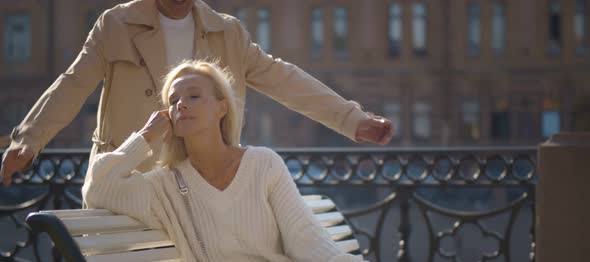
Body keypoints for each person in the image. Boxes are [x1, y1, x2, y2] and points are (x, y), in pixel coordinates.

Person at [82, 60, 405, 262]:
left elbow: (304, 235)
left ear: (222, 106)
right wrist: (146, 136)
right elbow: (99, 187)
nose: (181, 104)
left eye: (194, 96)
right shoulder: (162, 186)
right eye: (174, 100)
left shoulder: (263, 163)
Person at [1, 0, 394, 187]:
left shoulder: (227, 32)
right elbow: (72, 84)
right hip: (128, 182)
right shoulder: (115, 25)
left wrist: (352, 119)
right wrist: (28, 140)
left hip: (202, 182)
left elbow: (282, 78)